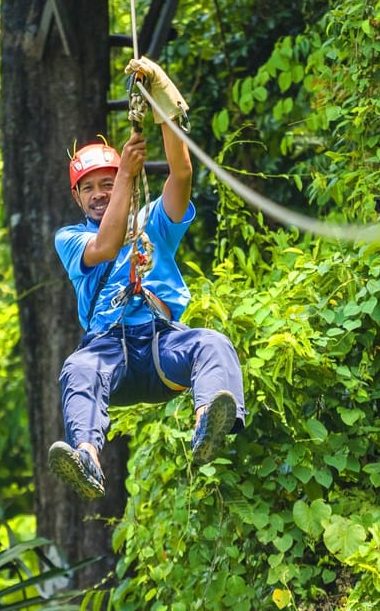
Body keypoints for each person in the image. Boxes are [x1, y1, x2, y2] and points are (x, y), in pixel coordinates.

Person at [47, 57, 247, 499]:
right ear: (77, 197)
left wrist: (163, 109)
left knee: (213, 344)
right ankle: (87, 457)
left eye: (107, 183)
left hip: (160, 346)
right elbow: (107, 243)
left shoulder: (151, 223)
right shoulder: (70, 239)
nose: (100, 193)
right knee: (77, 368)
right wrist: (125, 176)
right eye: (90, 188)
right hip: (108, 354)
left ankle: (206, 426)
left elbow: (181, 174)